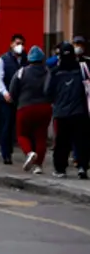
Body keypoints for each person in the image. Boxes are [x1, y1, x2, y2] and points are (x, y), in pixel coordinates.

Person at [44, 42, 90, 179]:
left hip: (61, 113)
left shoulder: (55, 72)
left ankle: (60, 169)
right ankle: (82, 167)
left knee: (62, 142)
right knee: (81, 141)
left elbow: (47, 91)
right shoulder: (81, 70)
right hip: (79, 112)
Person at [8, 45, 53, 174]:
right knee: (41, 137)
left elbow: (12, 91)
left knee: (22, 134)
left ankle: (29, 153)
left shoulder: (21, 72)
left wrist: (16, 102)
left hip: (25, 107)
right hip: (44, 108)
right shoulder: (48, 72)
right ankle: (38, 165)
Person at [0, 33, 27, 164]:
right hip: (7, 100)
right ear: (11, 44)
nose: (20, 46)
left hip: (22, 99)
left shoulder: (26, 60)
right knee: (7, 126)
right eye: (17, 43)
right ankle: (6, 154)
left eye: (22, 44)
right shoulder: (3, 60)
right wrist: (4, 93)